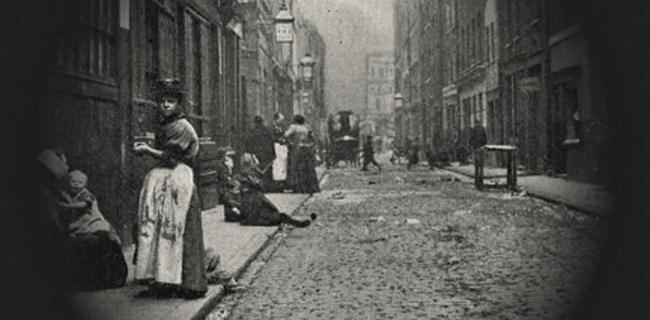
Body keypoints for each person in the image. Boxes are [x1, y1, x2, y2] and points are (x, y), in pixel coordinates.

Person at [132, 78, 207, 299]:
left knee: (178, 230)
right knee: (158, 229)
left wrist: (147, 150)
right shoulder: (166, 125)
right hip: (166, 182)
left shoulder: (182, 127)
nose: (165, 105)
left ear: (179, 105)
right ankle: (163, 281)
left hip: (179, 181)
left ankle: (189, 284)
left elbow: (172, 157)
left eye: (171, 101)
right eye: (162, 101)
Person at [237, 153, 316, 227]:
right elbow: (261, 191)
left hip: (250, 213)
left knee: (280, 216)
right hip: (255, 214)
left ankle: (299, 223)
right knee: (281, 216)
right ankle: (299, 224)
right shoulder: (251, 176)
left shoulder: (243, 176)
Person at [284, 115, 320, 193]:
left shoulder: (294, 127)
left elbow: (286, 135)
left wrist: (290, 142)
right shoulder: (306, 128)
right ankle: (310, 187)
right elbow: (313, 138)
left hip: (298, 150)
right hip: (307, 150)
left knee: (297, 168)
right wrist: (310, 145)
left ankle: (299, 187)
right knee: (309, 169)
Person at [244, 115, 276, 189]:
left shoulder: (252, 131)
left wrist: (249, 151)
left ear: (254, 123)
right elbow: (272, 141)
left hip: (256, 152)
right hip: (266, 153)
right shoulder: (267, 131)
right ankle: (268, 186)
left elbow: (248, 142)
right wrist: (273, 153)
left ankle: (259, 185)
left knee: (256, 169)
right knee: (267, 169)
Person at [271, 112, 289, 191]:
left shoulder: (282, 127)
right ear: (276, 119)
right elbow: (272, 137)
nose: (282, 121)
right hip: (276, 147)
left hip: (282, 149)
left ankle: (282, 183)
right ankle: (277, 184)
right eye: (280, 120)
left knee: (283, 166)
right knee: (277, 166)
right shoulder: (272, 127)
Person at [469, 119, 488, 186]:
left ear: (475, 123)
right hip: (481, 148)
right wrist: (483, 145)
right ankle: (481, 179)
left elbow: (470, 140)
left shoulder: (473, 129)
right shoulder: (482, 129)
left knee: (477, 165)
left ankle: (477, 181)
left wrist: (473, 146)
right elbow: (485, 139)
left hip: (476, 148)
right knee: (481, 165)